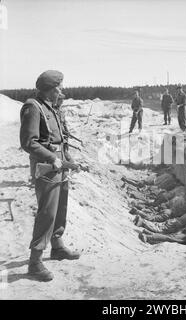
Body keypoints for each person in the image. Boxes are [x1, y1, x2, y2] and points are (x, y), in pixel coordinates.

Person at [20, 70, 80, 282]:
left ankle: (57, 246)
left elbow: (58, 137)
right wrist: (51, 158)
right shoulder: (33, 107)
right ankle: (35, 262)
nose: (61, 91)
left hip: (60, 165)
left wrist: (66, 157)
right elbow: (29, 142)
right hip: (47, 168)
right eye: (59, 87)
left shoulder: (50, 107)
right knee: (47, 212)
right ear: (50, 88)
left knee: (60, 207)